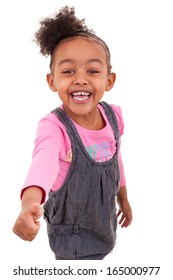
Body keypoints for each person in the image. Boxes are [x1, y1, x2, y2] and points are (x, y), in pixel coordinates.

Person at [13, 6, 132, 260]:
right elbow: (42, 164)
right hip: (71, 240)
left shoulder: (114, 117)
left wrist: (123, 198)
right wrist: (28, 205)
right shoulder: (54, 127)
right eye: (68, 71)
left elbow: (116, 157)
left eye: (92, 71)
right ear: (52, 81)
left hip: (104, 228)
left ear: (109, 81)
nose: (80, 79)